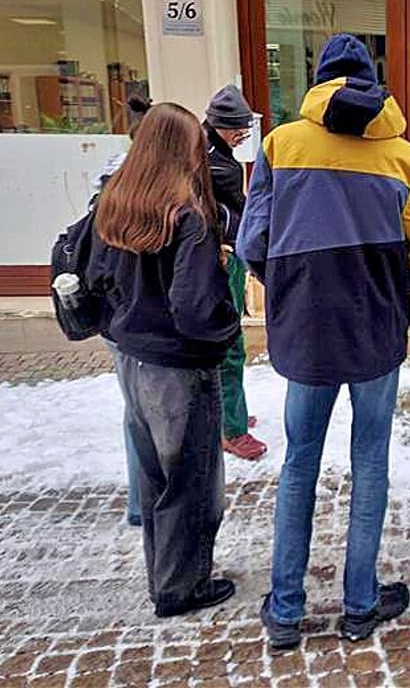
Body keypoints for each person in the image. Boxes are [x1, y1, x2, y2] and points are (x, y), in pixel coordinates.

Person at [237, 34, 410, 648]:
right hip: (376, 327)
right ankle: (359, 604)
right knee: (370, 459)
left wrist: (291, 284)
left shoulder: (281, 144)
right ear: (371, 83)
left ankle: (286, 610)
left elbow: (253, 241)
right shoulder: (402, 155)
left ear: (320, 81)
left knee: (300, 462)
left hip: (306, 331)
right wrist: (390, 287)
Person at [88, 102, 240, 617]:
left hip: (131, 359)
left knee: (155, 476)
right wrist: (227, 331)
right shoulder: (188, 218)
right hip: (179, 366)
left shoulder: (117, 202)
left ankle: (163, 576)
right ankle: (182, 587)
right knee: (191, 481)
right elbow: (195, 308)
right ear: (186, 150)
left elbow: (99, 276)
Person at [93, 94, 151, 527]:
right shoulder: (146, 186)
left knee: (135, 413)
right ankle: (149, 507)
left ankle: (139, 505)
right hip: (140, 320)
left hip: (116, 320)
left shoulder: (109, 180)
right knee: (154, 421)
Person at [204, 84, 267, 461]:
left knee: (228, 343)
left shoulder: (212, 150)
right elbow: (215, 209)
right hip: (220, 259)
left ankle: (230, 414)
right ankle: (231, 429)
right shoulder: (210, 159)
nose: (242, 134)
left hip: (227, 254)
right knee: (229, 347)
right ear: (220, 126)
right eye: (237, 128)